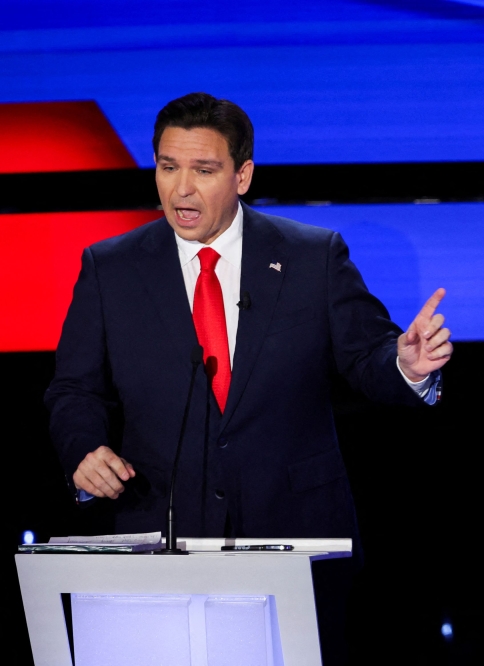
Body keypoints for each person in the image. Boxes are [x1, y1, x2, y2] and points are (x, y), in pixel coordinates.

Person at [45, 92, 453, 540]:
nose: (181, 188)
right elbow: (75, 388)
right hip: (160, 530)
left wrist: (405, 367)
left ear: (242, 176)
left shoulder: (311, 257)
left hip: (293, 529)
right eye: (168, 167)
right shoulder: (111, 267)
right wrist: (84, 449)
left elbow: (366, 355)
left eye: (203, 171)